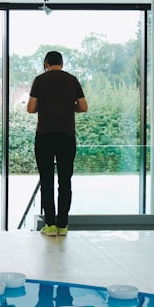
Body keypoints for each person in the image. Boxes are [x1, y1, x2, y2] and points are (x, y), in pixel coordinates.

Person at [26, 50, 88, 236]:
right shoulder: (72, 80)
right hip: (66, 136)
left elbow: (30, 108)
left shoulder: (40, 80)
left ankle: (50, 225)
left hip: (45, 136)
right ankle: (63, 225)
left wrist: (45, 106)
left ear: (46, 64)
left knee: (47, 180)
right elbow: (83, 107)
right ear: (61, 63)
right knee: (65, 181)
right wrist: (69, 107)